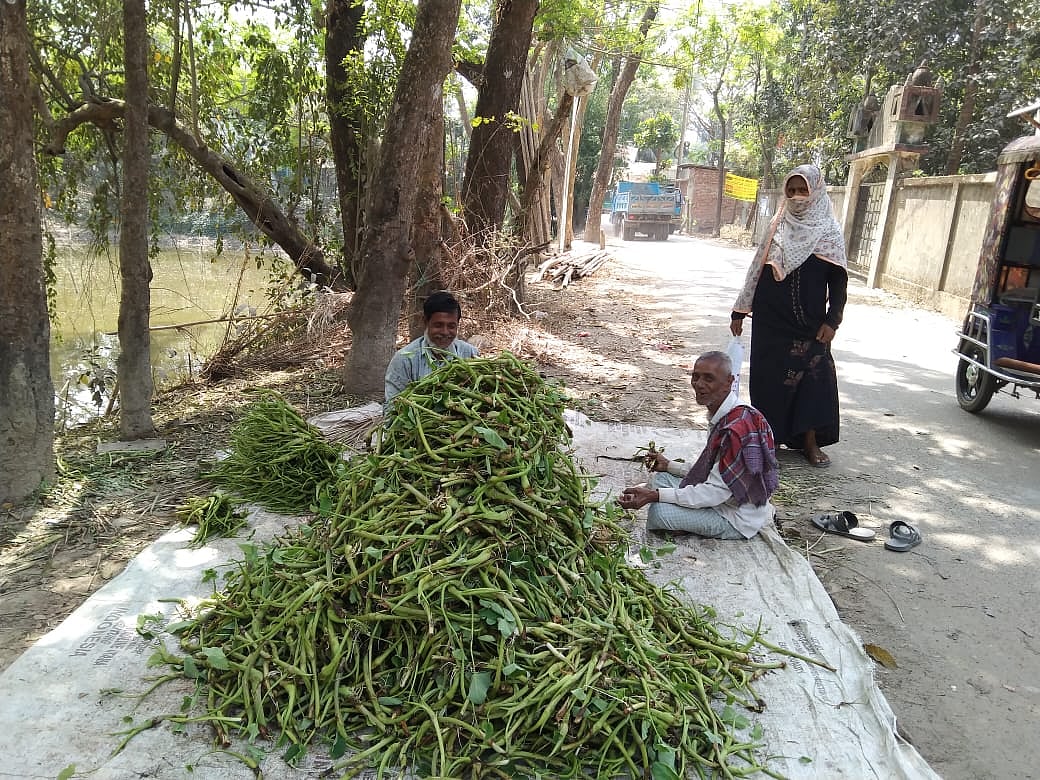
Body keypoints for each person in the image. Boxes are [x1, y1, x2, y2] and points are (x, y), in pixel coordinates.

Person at [730, 164, 848, 468]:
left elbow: (838, 282)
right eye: (791, 190)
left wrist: (832, 320)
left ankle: (810, 442)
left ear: (816, 192)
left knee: (813, 381)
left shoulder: (829, 232)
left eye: (802, 190)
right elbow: (757, 269)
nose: (796, 196)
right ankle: (771, 440)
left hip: (810, 325)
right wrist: (740, 310)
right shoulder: (777, 225)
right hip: (771, 322)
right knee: (768, 382)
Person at [617, 351, 779, 539]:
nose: (699, 384)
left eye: (709, 379)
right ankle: (687, 517)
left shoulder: (736, 430)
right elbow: (712, 469)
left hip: (736, 516)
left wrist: (654, 496)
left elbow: (714, 493)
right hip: (723, 497)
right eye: (696, 377)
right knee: (660, 478)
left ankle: (691, 524)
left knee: (659, 513)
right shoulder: (726, 415)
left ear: (729, 382)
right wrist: (669, 466)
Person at [384, 291, 480, 411]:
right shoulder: (404, 360)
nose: (445, 332)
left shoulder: (471, 355)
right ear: (425, 322)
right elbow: (392, 407)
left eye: (451, 326)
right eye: (438, 325)